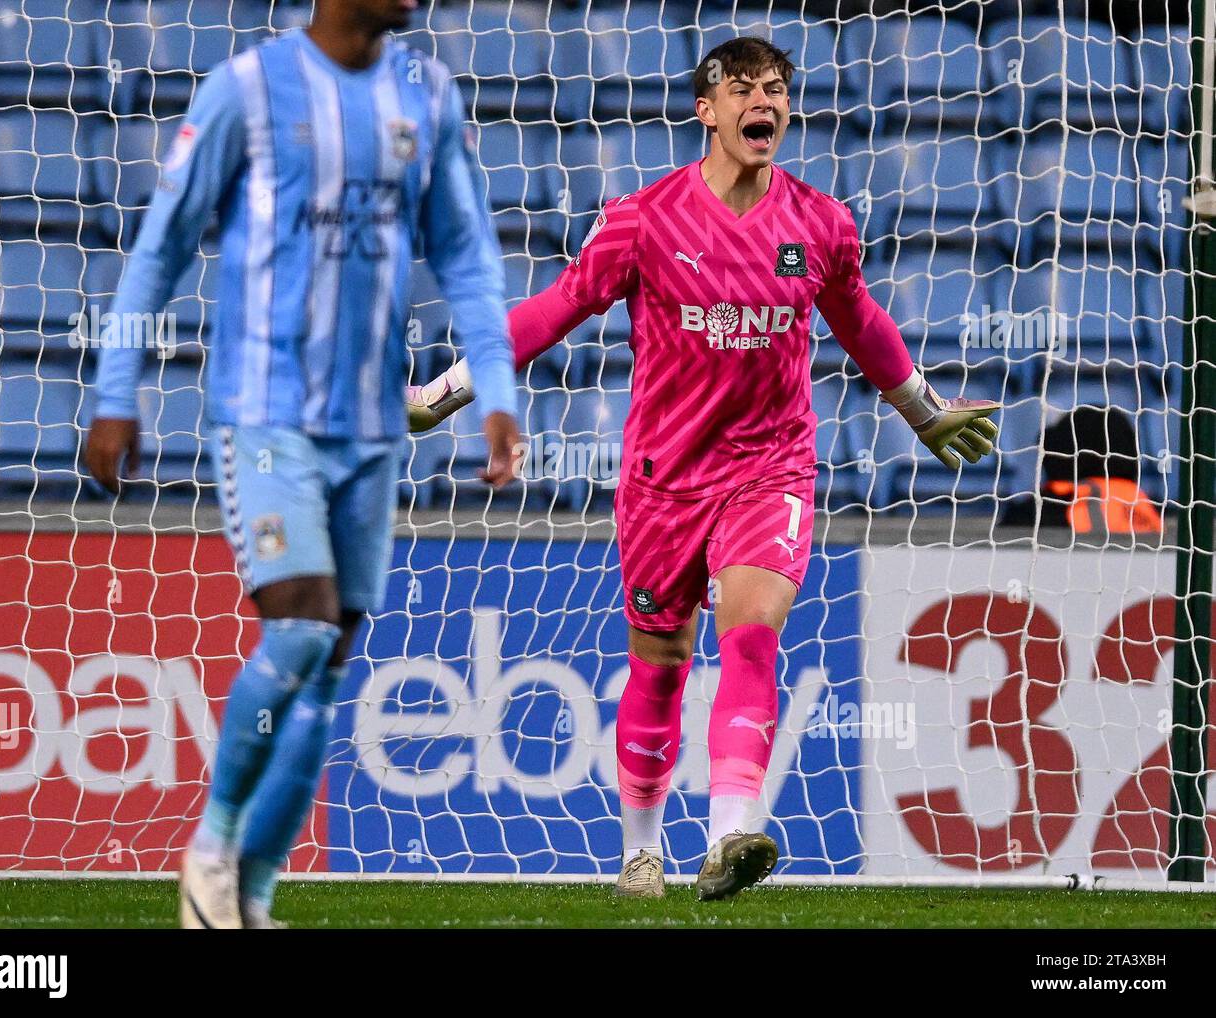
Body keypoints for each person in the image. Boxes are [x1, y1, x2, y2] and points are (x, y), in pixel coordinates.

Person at [406, 36, 999, 900]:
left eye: (779, 90)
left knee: (753, 635)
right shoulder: (644, 220)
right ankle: (640, 850)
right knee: (660, 664)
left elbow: (860, 319)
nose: (767, 102)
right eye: (747, 89)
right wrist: (444, 394)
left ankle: (731, 836)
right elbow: (551, 312)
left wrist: (925, 412)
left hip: (771, 469)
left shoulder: (821, 225)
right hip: (664, 478)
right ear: (707, 109)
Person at [85, 0, 519, 927]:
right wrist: (116, 389)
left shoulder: (427, 94)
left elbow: (469, 256)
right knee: (303, 634)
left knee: (325, 671)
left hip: (372, 432)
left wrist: (498, 390)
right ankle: (212, 847)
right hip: (265, 414)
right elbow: (160, 247)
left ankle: (249, 897)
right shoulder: (249, 90)